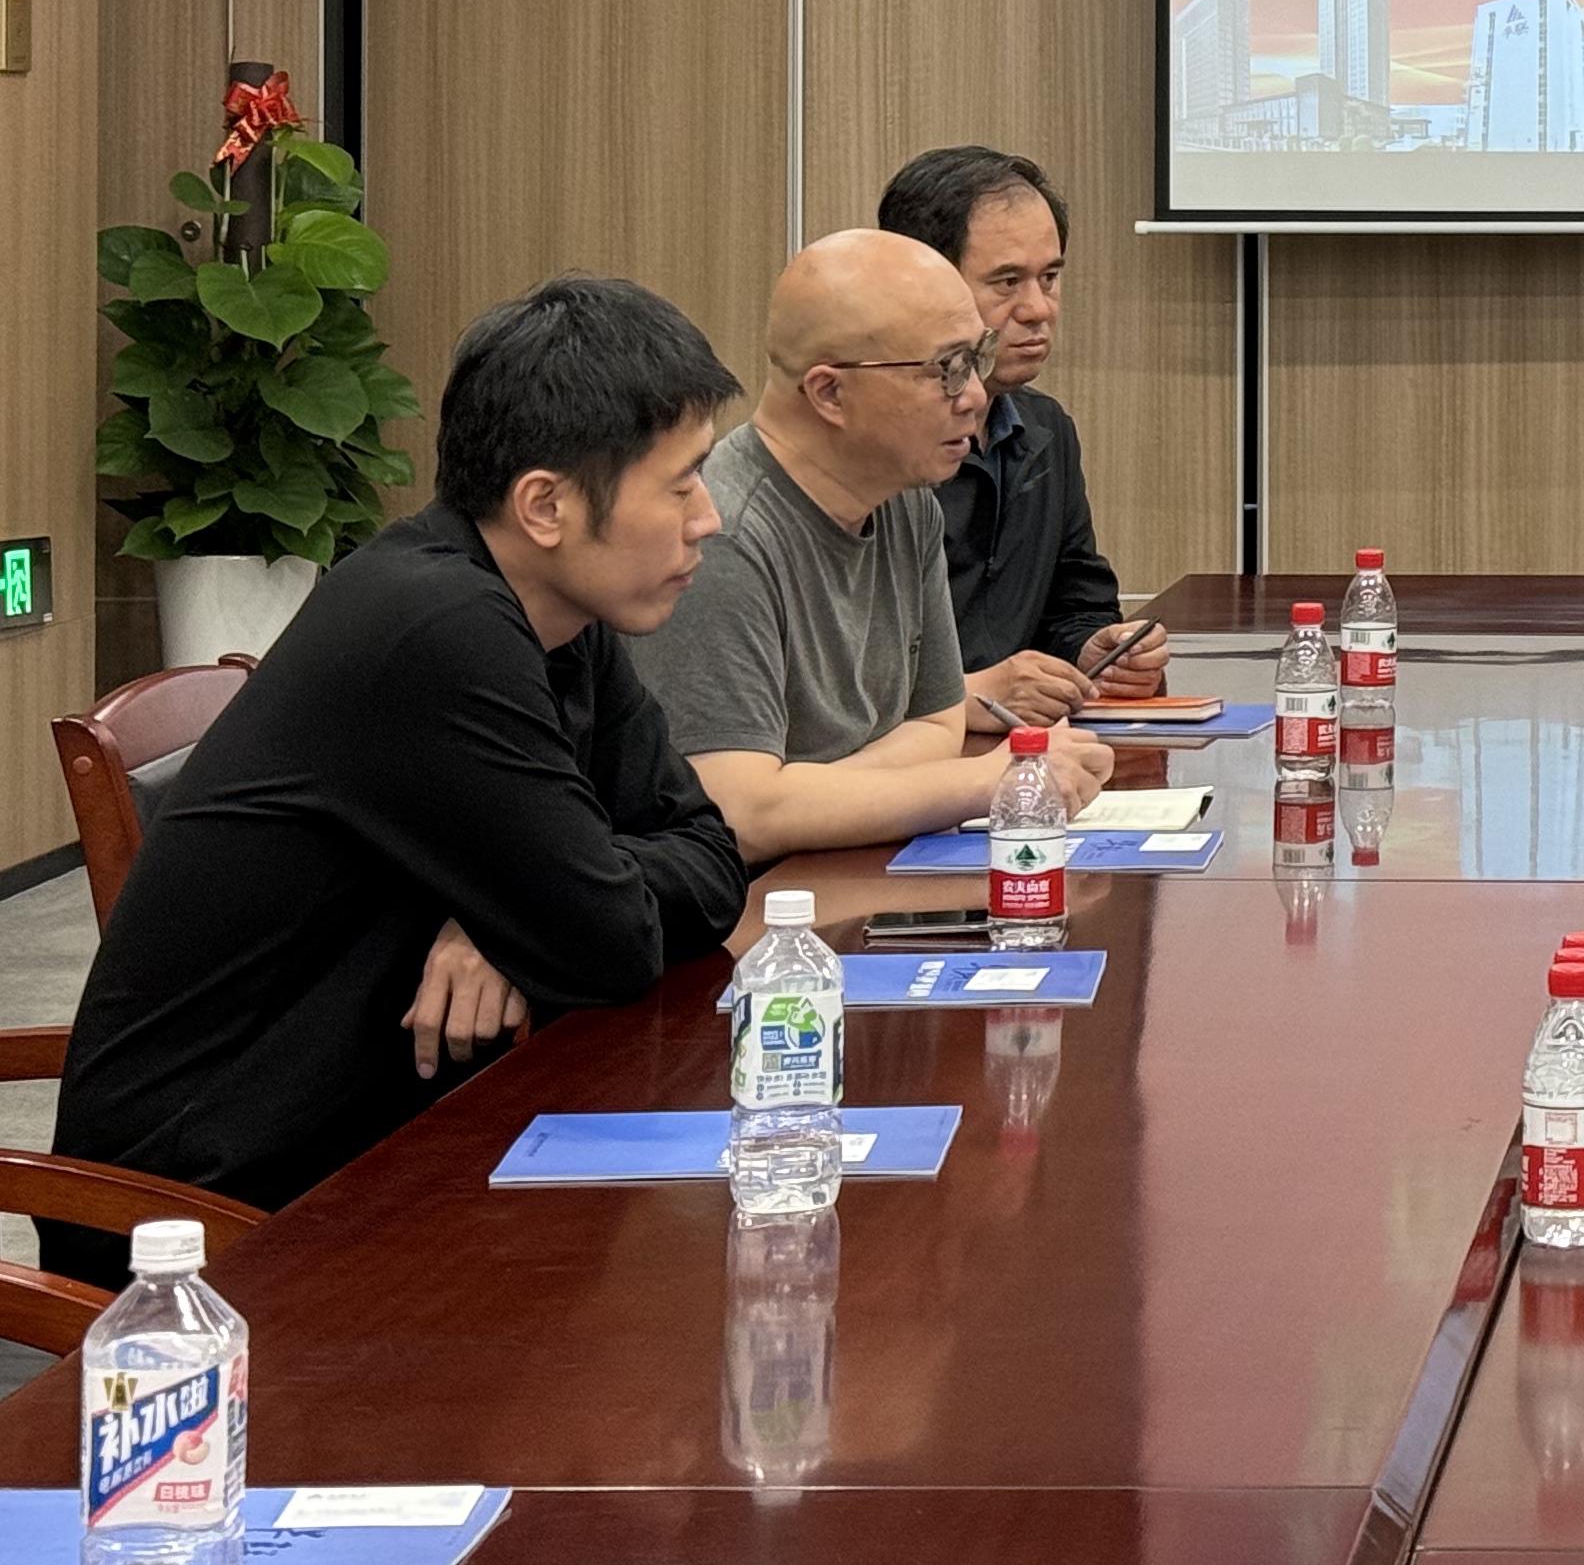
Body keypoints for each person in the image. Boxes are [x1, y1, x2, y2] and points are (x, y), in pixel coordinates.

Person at [48, 276, 754, 1274]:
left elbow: (710, 857)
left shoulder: (560, 616)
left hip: (375, 1136)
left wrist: (502, 918)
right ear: (545, 505)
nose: (708, 519)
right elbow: (614, 940)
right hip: (204, 1214)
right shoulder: (435, 629)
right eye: (681, 483)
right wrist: (540, 911)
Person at [629, 229, 1114, 861]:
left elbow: (939, 723)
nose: (974, 396)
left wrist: (802, 795)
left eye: (976, 358)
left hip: (859, 865)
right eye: (947, 369)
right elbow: (736, 815)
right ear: (830, 392)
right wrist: (988, 779)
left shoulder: (905, 500)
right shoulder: (720, 535)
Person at [874, 145, 1166, 734]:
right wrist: (978, 691)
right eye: (1007, 282)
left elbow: (1076, 605)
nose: (1037, 309)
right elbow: (842, 682)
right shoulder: (874, 451)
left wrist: (1095, 651)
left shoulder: (1047, 429)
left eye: (1049, 278)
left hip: (1026, 753)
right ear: (926, 283)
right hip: (899, 758)